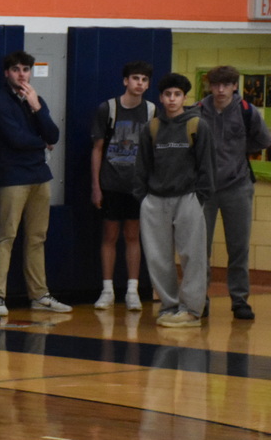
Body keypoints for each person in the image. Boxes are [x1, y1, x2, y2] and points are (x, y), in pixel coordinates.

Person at [0, 51, 71, 316]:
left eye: (25, 69)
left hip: (39, 177)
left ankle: (39, 295)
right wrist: (42, 143)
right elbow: (16, 139)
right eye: (16, 69)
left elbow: (54, 134)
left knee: (37, 237)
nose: (21, 74)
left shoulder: (36, 100)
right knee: (6, 236)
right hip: (12, 177)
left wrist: (36, 107)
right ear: (6, 73)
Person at [134, 73, 214, 328]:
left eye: (177, 94)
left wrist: (199, 196)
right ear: (160, 97)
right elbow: (142, 166)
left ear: (184, 97)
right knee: (158, 257)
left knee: (193, 255)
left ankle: (191, 309)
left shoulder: (197, 126)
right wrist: (143, 197)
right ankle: (169, 306)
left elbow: (206, 166)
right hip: (155, 200)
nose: (172, 99)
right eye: (167, 94)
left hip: (188, 197)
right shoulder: (153, 127)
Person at [199, 65, 271, 320]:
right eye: (216, 85)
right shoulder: (198, 111)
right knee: (200, 248)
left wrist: (238, 151)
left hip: (238, 187)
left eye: (226, 85)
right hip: (205, 189)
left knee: (238, 247)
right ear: (210, 86)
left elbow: (264, 140)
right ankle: (200, 299)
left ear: (234, 86)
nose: (220, 90)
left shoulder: (246, 111)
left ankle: (239, 300)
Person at [89, 61, 155, 311]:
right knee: (110, 235)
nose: (140, 83)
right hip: (111, 183)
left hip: (138, 187)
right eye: (135, 78)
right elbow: (96, 149)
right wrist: (96, 186)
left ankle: (132, 290)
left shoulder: (150, 110)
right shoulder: (109, 108)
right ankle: (107, 290)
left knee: (133, 236)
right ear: (125, 81)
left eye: (144, 79)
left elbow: (153, 150)